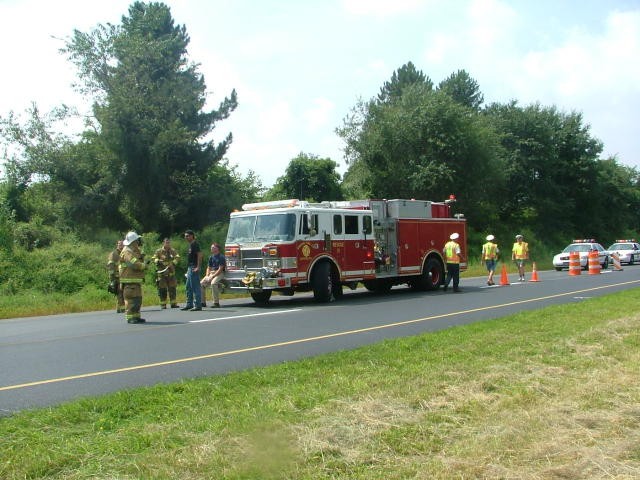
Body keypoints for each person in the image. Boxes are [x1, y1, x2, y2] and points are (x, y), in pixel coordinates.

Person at [119, 231, 147, 324]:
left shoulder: (133, 250)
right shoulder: (127, 251)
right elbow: (133, 263)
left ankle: (136, 316)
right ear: (133, 241)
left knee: (137, 299)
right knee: (131, 300)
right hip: (129, 281)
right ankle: (130, 317)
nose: (138, 242)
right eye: (137, 240)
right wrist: (143, 266)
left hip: (135, 281)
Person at [152, 238, 180, 309]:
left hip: (171, 272)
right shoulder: (159, 251)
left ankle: (173, 303)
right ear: (163, 243)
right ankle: (163, 304)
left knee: (172, 288)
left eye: (169, 243)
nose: (168, 244)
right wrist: (157, 261)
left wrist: (173, 263)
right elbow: (153, 258)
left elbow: (177, 257)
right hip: (162, 273)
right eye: (166, 243)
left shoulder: (172, 250)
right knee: (162, 289)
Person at [181, 229, 203, 311]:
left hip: (194, 267)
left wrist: (198, 266)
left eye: (187, 236)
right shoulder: (190, 245)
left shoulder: (195, 244)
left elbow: (200, 255)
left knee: (195, 287)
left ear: (192, 236)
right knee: (188, 287)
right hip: (190, 267)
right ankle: (189, 304)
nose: (186, 237)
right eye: (185, 236)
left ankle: (198, 305)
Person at [200, 243, 226, 308]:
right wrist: (207, 276)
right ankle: (202, 302)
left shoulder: (221, 257)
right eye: (211, 247)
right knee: (201, 284)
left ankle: (216, 303)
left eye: (213, 247)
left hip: (220, 273)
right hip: (211, 273)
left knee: (213, 283)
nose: (211, 248)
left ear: (217, 249)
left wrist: (212, 276)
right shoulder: (211, 257)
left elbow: (220, 269)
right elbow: (209, 268)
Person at [107, 240, 125, 313]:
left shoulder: (125, 252)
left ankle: (119, 308)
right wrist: (112, 278)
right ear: (117, 245)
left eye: (122, 244)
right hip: (117, 276)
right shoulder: (114, 254)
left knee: (122, 292)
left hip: (124, 275)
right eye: (119, 244)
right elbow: (110, 265)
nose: (121, 245)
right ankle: (122, 308)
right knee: (120, 292)